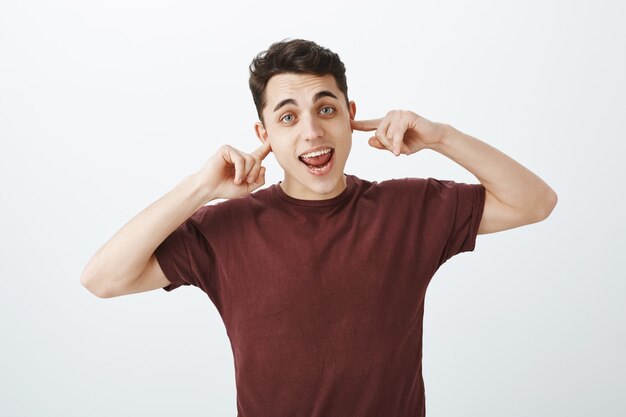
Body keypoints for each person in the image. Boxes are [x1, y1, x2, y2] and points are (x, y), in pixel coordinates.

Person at [80, 39, 557, 417]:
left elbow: (535, 202)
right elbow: (102, 279)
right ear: (264, 135)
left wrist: (440, 137)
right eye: (288, 117)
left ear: (350, 117)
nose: (311, 131)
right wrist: (198, 188)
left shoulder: (410, 208)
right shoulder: (224, 229)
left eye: (326, 109)